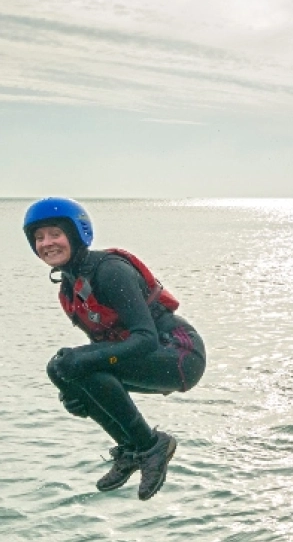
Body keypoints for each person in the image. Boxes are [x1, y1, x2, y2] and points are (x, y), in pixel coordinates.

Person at [24, 197, 206, 499]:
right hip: (151, 356)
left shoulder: (109, 271)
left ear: (76, 233)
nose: (46, 243)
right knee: (61, 368)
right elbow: (103, 350)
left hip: (180, 353)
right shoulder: (70, 287)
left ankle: (152, 447)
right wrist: (75, 394)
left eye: (54, 234)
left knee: (75, 364)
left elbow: (145, 338)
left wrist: (82, 370)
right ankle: (133, 450)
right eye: (39, 238)